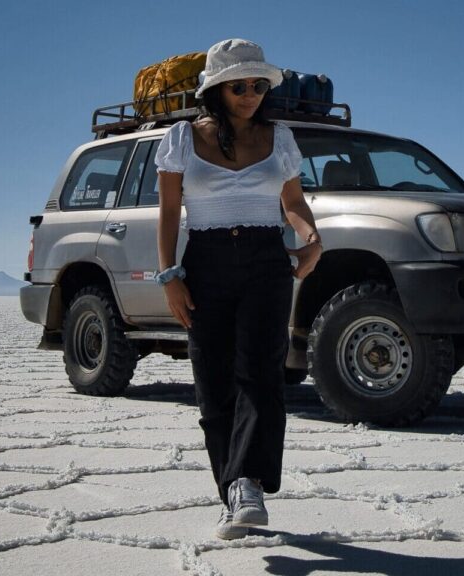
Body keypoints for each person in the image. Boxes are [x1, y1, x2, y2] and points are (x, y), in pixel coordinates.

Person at [154, 38, 323, 540]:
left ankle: (247, 484)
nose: (250, 94)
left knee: (260, 373)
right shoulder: (182, 138)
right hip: (203, 263)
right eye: (238, 86)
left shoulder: (280, 137)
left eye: (257, 85)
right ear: (217, 89)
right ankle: (231, 490)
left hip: (266, 260)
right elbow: (168, 213)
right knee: (212, 382)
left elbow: (292, 202)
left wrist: (311, 238)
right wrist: (169, 277)